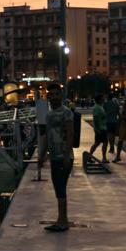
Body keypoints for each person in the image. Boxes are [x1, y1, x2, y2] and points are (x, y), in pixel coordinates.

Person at [39, 85, 74, 232]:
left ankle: (63, 221)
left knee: (60, 187)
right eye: (51, 94)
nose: (54, 97)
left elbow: (70, 134)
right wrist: (42, 154)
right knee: (58, 188)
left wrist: (67, 155)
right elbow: (46, 136)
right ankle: (61, 219)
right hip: (54, 157)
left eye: (56, 94)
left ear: (61, 96)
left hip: (63, 156)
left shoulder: (66, 113)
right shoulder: (49, 114)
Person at [88, 95, 109, 162]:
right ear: (99, 100)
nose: (104, 99)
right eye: (103, 98)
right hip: (100, 128)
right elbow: (96, 118)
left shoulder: (100, 106)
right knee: (99, 143)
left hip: (103, 128)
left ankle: (90, 156)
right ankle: (103, 158)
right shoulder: (97, 107)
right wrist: (97, 129)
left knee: (99, 143)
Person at [103, 93, 121, 159]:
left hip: (107, 122)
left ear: (107, 98)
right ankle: (112, 146)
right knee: (113, 135)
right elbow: (119, 114)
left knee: (109, 135)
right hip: (114, 121)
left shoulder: (105, 104)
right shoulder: (116, 105)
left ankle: (111, 147)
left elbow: (103, 113)